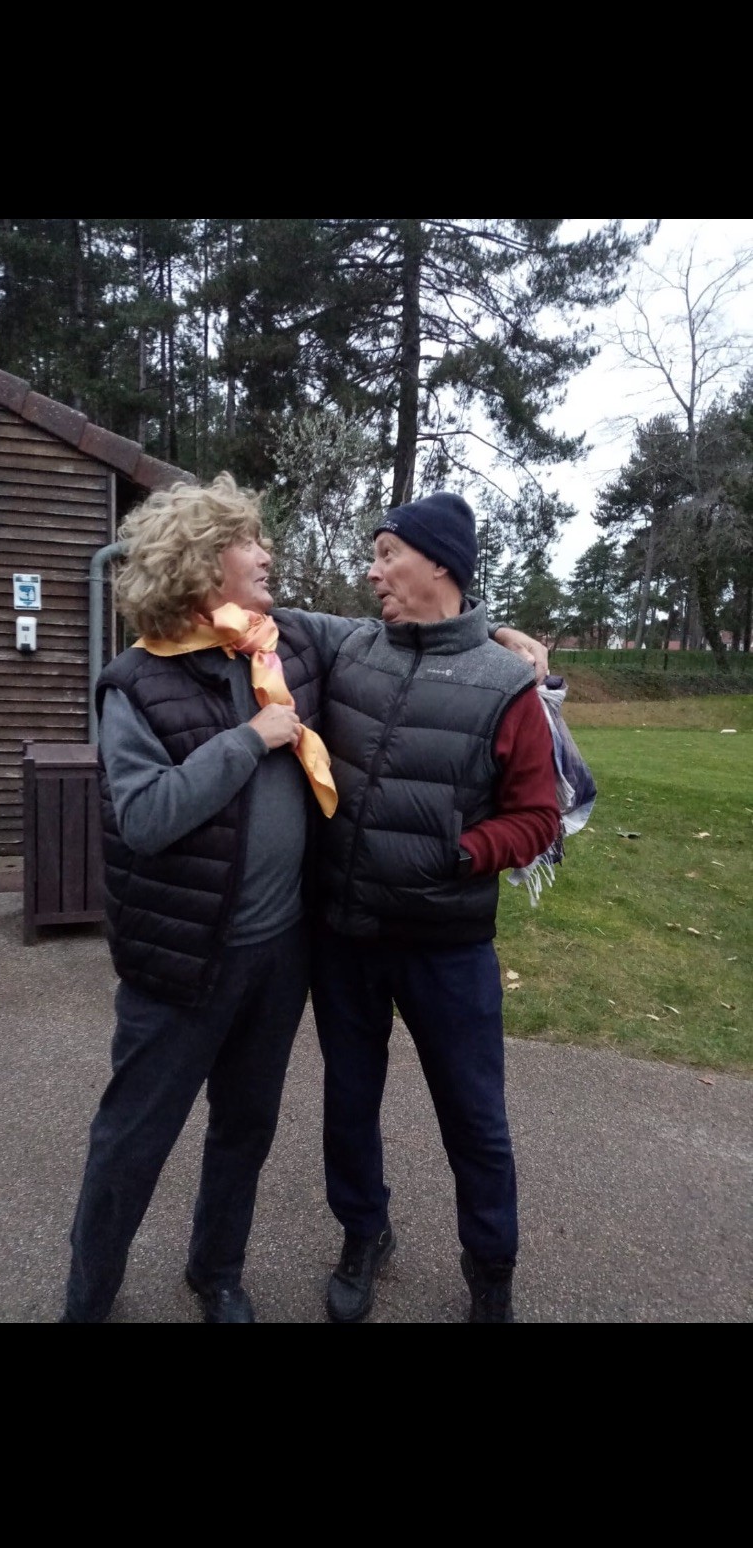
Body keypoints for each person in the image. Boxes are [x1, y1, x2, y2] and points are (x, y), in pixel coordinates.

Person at [59, 473, 546, 1324]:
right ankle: (91, 1298)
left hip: (319, 948)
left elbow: (428, 648)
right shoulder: (154, 678)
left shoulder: (291, 649)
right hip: (200, 954)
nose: (271, 553)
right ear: (207, 561)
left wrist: (504, 635)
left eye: (387, 553)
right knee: (139, 1138)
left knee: (259, 1128)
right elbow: (144, 817)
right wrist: (250, 740)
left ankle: (222, 1274)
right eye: (253, 542)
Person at [310, 490, 561, 1324]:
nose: (372, 571)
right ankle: (363, 1234)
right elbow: (257, 615)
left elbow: (538, 818)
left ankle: (491, 1273)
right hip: (346, 938)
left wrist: (457, 855)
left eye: (386, 554)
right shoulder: (351, 649)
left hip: (448, 947)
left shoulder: (505, 687)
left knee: (475, 1121)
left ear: (440, 564)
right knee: (348, 1103)